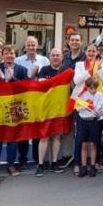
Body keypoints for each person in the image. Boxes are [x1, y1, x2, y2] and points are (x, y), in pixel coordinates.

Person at [0, 45, 29, 177]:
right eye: (6, 53)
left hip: (15, 108)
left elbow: (25, 88)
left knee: (12, 138)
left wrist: (13, 79)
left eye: (11, 53)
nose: (9, 55)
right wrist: (2, 81)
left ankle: (11, 164)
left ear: (15, 55)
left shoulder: (22, 70)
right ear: (2, 55)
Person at [74, 43, 103, 173]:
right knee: (81, 139)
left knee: (94, 139)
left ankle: (94, 163)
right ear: (85, 52)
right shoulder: (79, 65)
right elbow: (76, 81)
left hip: (97, 103)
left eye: (93, 51)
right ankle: (80, 164)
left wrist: (99, 68)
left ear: (97, 52)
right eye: (89, 51)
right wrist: (89, 69)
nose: (91, 53)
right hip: (82, 103)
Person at [14, 36, 50, 169]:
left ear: (38, 46)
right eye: (28, 45)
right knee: (23, 129)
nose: (31, 47)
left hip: (38, 99)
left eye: (33, 45)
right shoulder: (18, 60)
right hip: (23, 99)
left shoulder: (44, 60)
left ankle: (37, 158)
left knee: (37, 129)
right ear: (25, 46)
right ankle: (22, 159)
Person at [34, 48, 67, 177]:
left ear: (61, 57)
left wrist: (52, 84)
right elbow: (41, 84)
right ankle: (41, 164)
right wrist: (57, 82)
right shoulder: (44, 70)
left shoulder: (65, 71)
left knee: (57, 136)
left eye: (57, 55)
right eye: (53, 55)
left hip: (60, 108)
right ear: (49, 57)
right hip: (46, 108)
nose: (55, 57)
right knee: (44, 136)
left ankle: (54, 163)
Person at [73, 76, 103, 177]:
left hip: (93, 121)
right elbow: (78, 108)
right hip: (83, 121)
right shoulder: (82, 95)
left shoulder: (99, 95)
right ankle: (84, 166)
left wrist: (91, 107)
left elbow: (99, 109)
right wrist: (87, 105)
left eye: (95, 88)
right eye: (91, 88)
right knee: (84, 145)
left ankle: (93, 166)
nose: (93, 90)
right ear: (87, 87)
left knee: (92, 144)